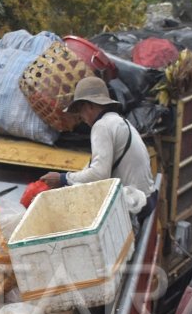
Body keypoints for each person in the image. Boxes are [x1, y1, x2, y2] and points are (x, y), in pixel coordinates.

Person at [39, 77, 158, 222]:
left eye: (80, 110)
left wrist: (63, 178)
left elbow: (98, 174)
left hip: (135, 206)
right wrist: (69, 182)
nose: (81, 117)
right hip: (145, 200)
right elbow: (94, 168)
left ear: (90, 106)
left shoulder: (101, 126)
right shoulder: (117, 121)